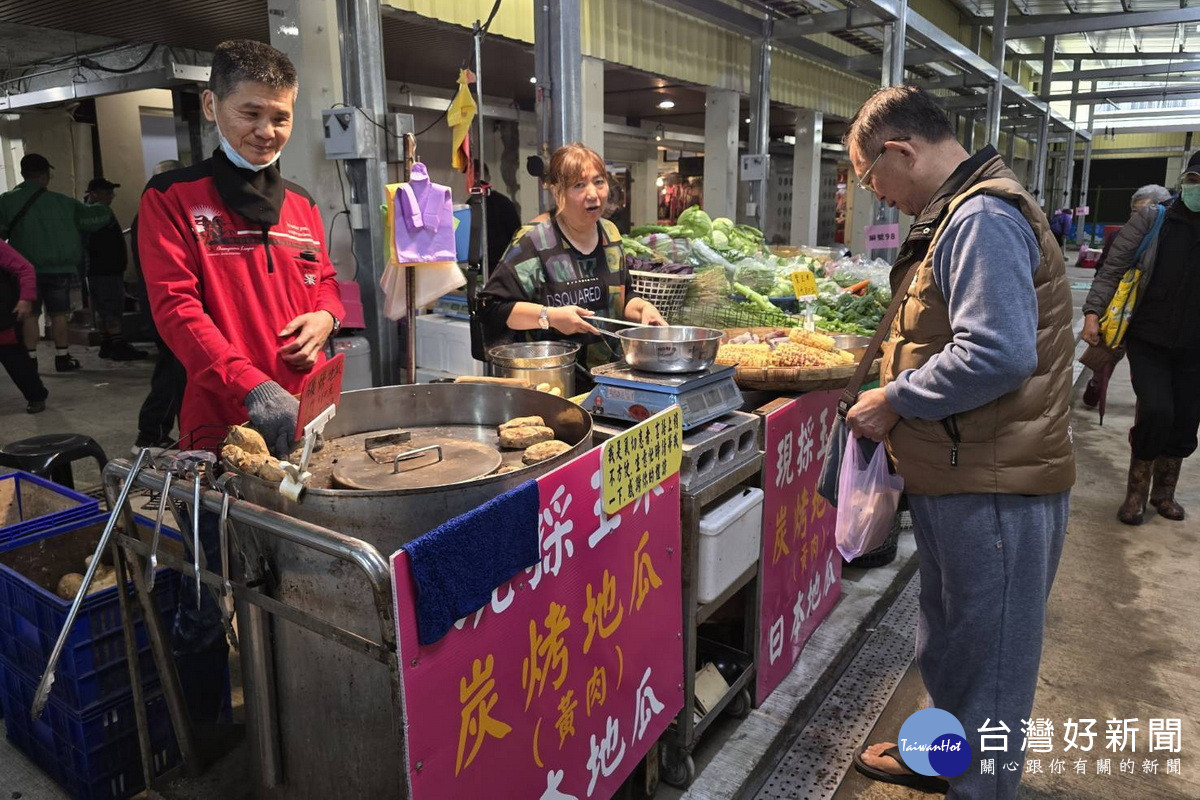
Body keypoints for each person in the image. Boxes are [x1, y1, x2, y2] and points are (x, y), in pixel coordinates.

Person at [842, 86, 1074, 799]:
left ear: (899, 152)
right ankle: (936, 756)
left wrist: (894, 398)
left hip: (996, 485)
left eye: (873, 182)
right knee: (949, 642)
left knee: (990, 668)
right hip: (961, 472)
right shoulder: (958, 216)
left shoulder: (979, 217)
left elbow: (999, 354)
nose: (882, 200)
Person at [138, 39, 344, 721]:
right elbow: (177, 309)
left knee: (299, 584)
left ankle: (293, 715)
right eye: (250, 113)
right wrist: (251, 386)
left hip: (303, 431)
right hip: (218, 434)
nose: (266, 132)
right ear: (211, 106)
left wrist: (325, 313)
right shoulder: (172, 199)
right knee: (207, 590)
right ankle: (208, 739)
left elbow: (328, 283)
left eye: (280, 117)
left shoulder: (305, 207)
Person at [476, 143, 664, 382]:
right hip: (550, 383)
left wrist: (642, 309)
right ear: (557, 192)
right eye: (579, 185)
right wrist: (549, 317)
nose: (593, 194)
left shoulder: (610, 233)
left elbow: (623, 295)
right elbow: (491, 309)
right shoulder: (534, 241)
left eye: (599, 182)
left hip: (609, 377)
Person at [1081, 152, 1200, 525]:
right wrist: (1092, 312)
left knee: (1185, 421)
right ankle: (1136, 493)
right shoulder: (1155, 218)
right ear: (1184, 181)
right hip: (1149, 337)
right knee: (1158, 411)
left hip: (1195, 345)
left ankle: (1164, 493)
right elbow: (1112, 267)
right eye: (1194, 180)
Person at [0, 153, 113, 371]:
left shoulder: (6, 202)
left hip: (24, 272)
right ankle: (63, 357)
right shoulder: (63, 203)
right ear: (45, 176)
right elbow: (94, 218)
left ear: (23, 174)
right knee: (59, 314)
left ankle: (31, 360)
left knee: (30, 315)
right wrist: (102, 204)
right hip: (60, 269)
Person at [1080, 184, 1172, 408]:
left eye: (1143, 211)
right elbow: (1106, 271)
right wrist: (1096, 310)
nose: (1137, 216)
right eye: (1134, 211)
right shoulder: (1119, 236)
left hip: (1151, 318)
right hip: (1120, 310)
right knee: (1108, 356)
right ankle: (1096, 384)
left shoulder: (1170, 237)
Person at [133, 159, 188, 451]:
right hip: (166, 310)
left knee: (174, 370)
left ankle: (154, 432)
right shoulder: (154, 212)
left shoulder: (148, 211)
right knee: (173, 371)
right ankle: (151, 434)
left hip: (161, 308)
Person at [83, 178, 147, 361]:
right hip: (106, 268)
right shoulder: (97, 212)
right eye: (107, 192)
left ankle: (108, 342)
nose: (112, 196)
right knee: (111, 305)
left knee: (103, 307)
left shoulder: (89, 212)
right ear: (94, 194)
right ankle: (118, 345)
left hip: (99, 268)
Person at [0, 239, 48, 413]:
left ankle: (36, 396)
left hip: (3, 317)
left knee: (15, 360)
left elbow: (25, 268)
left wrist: (25, 298)